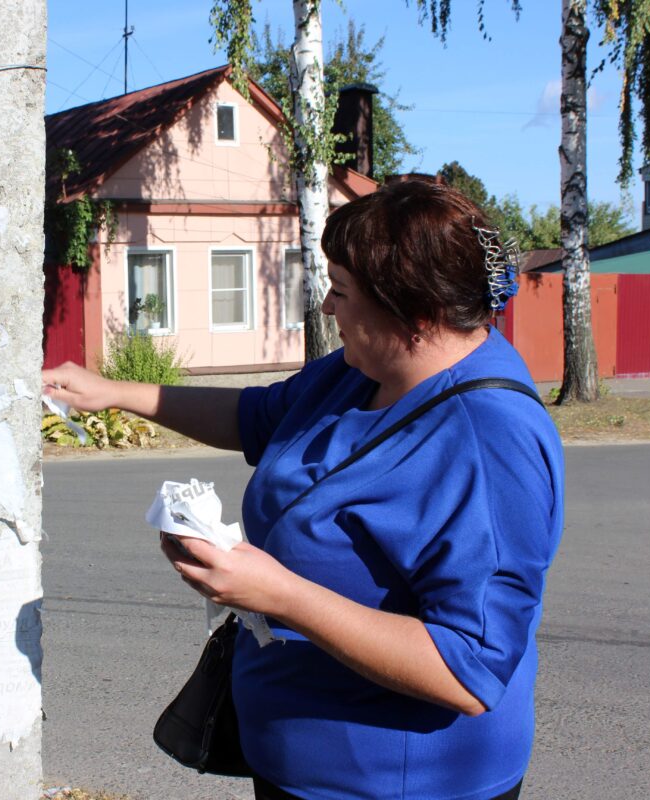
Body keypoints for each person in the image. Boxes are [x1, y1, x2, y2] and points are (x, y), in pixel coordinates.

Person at [42, 180, 564, 800]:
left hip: (400, 784)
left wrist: (281, 595)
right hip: (299, 763)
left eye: (340, 293)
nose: (325, 308)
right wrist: (117, 393)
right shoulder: (361, 371)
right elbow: (259, 416)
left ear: (415, 316)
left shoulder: (488, 439)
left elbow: (468, 669)